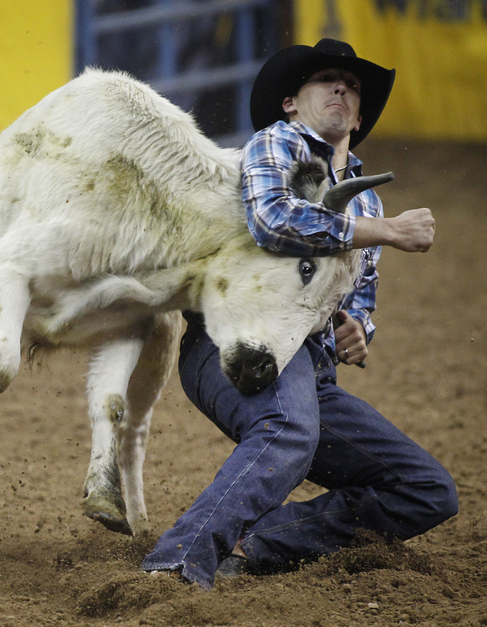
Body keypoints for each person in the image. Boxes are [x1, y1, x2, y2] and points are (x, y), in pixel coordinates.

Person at [141, 39, 458, 589]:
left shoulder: (368, 201)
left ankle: (256, 543)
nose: (342, 88)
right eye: (327, 79)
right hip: (238, 337)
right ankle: (176, 561)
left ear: (357, 118)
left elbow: (358, 295)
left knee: (425, 490)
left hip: (309, 364)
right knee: (287, 429)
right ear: (290, 102)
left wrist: (356, 327)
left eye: (352, 86)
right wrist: (383, 231)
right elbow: (273, 219)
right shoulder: (278, 143)